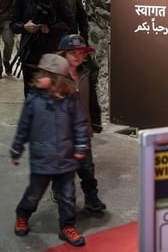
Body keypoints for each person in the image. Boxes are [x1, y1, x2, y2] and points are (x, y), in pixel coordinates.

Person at [10, 53, 89, 247]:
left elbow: (80, 123)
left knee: (67, 196)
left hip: (66, 159)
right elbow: (24, 126)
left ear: (57, 80)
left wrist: (80, 146)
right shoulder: (33, 99)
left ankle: (67, 226)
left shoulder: (70, 99)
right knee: (33, 194)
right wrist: (16, 149)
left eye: (45, 74)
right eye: (40, 73)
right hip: (41, 160)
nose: (39, 77)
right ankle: (22, 215)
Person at [10, 0, 72, 96]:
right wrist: (25, 27)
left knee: (53, 94)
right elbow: (13, 23)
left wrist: (50, 29)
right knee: (31, 94)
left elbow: (68, 22)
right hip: (30, 54)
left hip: (52, 54)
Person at [58, 34, 106, 212]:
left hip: (82, 132)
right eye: (73, 53)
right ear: (62, 55)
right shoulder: (55, 77)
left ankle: (91, 198)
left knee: (87, 168)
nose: (78, 56)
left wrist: (95, 122)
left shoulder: (85, 73)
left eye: (81, 52)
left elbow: (92, 100)